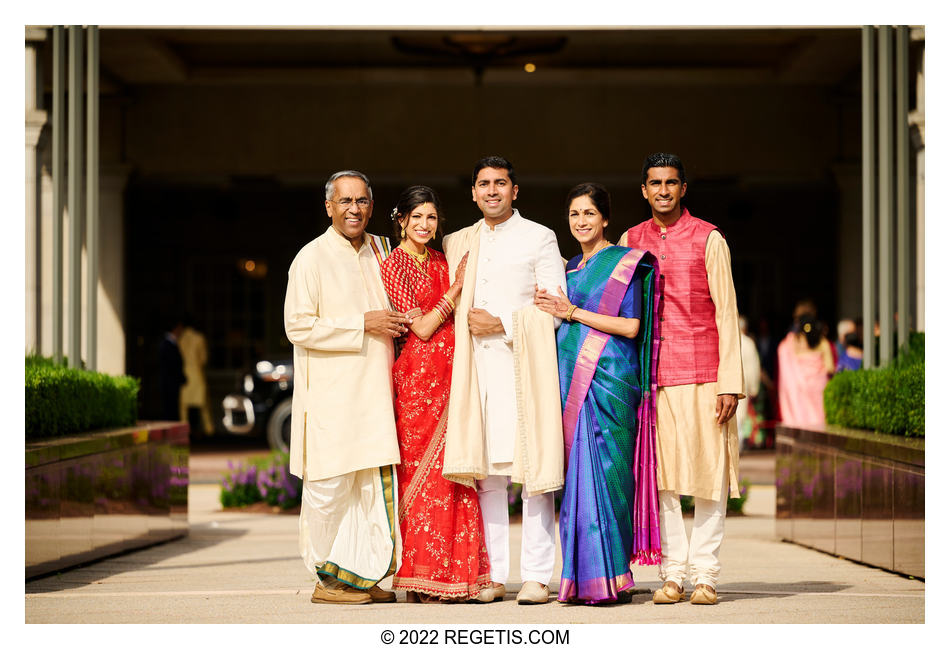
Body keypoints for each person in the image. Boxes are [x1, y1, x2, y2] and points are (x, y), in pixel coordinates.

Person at [618, 153, 744, 606]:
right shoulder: (630, 239)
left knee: (710, 476)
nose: (664, 190)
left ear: (683, 188)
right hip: (654, 379)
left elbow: (727, 311)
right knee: (663, 479)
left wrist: (730, 380)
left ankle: (706, 574)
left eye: (672, 182)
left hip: (708, 373)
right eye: (655, 183)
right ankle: (673, 573)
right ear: (644, 190)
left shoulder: (709, 237)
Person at [441, 155, 567, 605]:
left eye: (500, 183)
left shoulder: (539, 237)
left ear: (515, 191)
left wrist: (504, 325)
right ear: (473, 193)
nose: (491, 191)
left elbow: (555, 309)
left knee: (533, 475)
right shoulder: (458, 242)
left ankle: (536, 576)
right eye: (483, 184)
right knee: (487, 477)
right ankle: (492, 574)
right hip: (474, 371)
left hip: (524, 367)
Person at [284, 170, 411, 605]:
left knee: (370, 491)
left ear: (372, 206)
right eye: (345, 201)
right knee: (329, 489)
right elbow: (297, 326)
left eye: (361, 201)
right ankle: (325, 578)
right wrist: (362, 323)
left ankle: (360, 574)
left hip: (377, 393)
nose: (354, 209)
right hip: (332, 398)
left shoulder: (382, 249)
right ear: (328, 207)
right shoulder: (311, 258)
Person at [533, 183, 661, 605]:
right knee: (575, 483)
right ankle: (581, 580)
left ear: (605, 218)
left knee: (609, 476)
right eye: (574, 214)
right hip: (571, 384)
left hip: (612, 383)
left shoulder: (625, 263)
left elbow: (631, 327)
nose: (581, 222)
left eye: (589, 213)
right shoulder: (566, 269)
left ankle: (613, 577)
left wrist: (571, 312)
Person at [380, 185, 491, 602]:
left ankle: (455, 579)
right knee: (421, 476)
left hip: (453, 374)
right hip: (417, 383)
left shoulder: (443, 259)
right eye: (417, 217)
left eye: (431, 217)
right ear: (402, 221)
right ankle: (419, 578)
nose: (425, 225)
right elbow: (422, 328)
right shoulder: (394, 265)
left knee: (455, 472)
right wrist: (456, 290)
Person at [777, 312, 834, 428]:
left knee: (802, 418)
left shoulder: (793, 343)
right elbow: (829, 367)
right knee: (819, 419)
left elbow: (786, 358)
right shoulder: (823, 342)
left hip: (800, 389)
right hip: (819, 388)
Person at [178, 315, 214, 435]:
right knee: (203, 404)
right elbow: (204, 358)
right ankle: (209, 429)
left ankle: (183, 429)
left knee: (183, 406)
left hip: (183, 373)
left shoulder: (180, 339)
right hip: (197, 372)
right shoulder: (199, 338)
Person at [737, 315, 761, 450]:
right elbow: (753, 368)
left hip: (734, 383)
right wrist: (754, 389)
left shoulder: (727, 340)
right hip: (743, 384)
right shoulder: (748, 343)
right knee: (740, 417)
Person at [158, 318, 186, 421]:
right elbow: (171, 365)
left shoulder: (173, 343)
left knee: (173, 409)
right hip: (169, 382)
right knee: (169, 410)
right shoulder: (166, 344)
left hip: (172, 382)